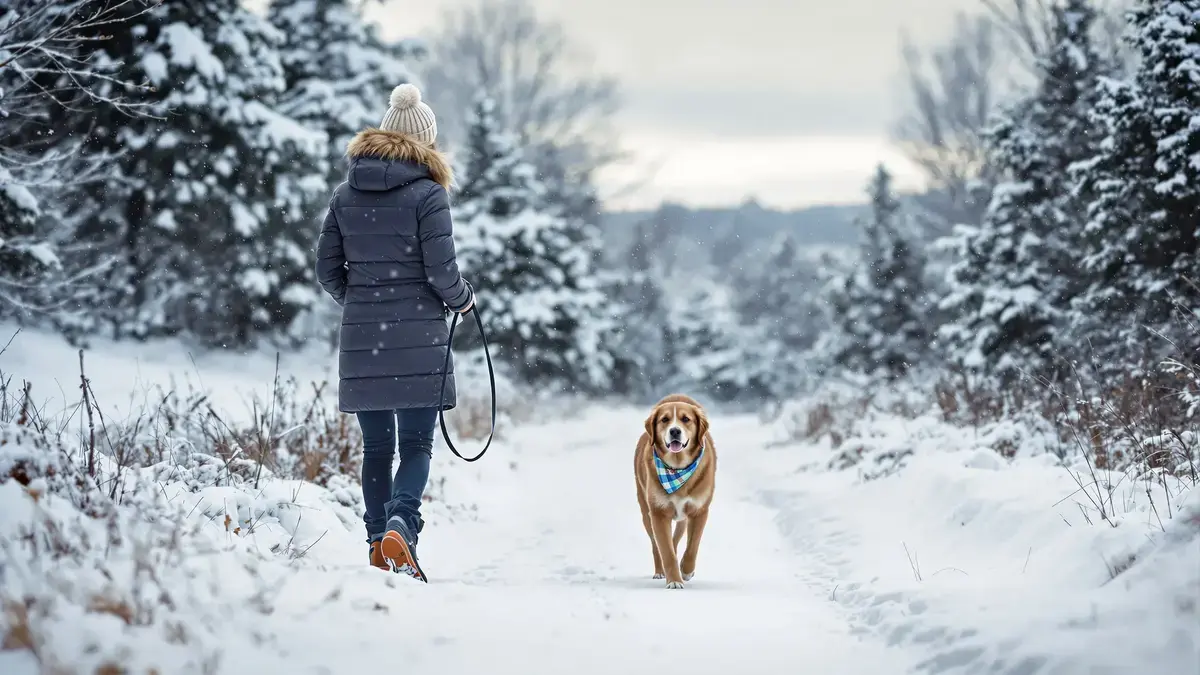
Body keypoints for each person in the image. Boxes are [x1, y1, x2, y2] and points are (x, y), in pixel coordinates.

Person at [315, 83, 474, 582]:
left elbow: (326, 269)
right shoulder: (429, 195)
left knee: (377, 450)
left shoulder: (344, 194)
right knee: (417, 447)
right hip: (420, 339)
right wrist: (463, 299)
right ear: (427, 143)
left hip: (365, 341)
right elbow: (442, 272)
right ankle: (402, 525)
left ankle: (374, 541)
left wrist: (359, 302)